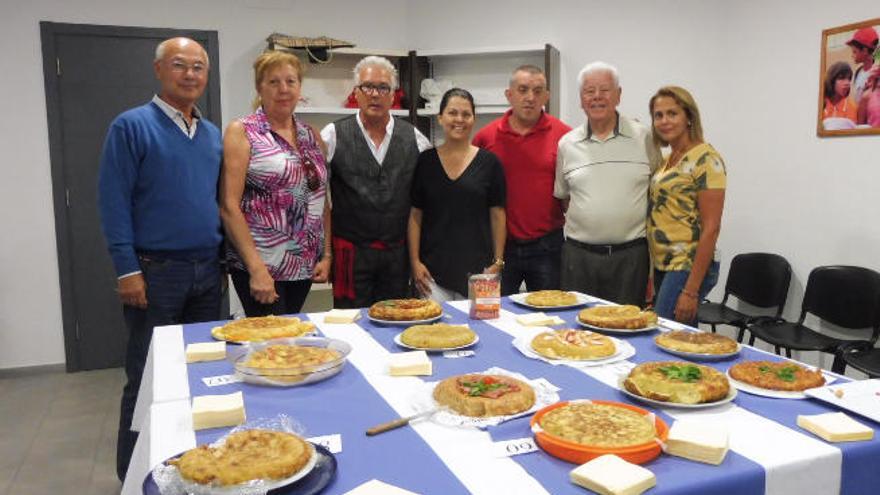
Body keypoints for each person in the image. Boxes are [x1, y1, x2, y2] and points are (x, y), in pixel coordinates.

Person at [97, 37, 223, 481]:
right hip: (155, 273)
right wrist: (127, 269)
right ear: (158, 70)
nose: (190, 74)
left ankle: (190, 465)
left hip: (209, 269)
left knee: (203, 371)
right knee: (148, 376)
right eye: (179, 65)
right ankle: (134, 476)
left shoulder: (210, 134)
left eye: (198, 67)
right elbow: (113, 203)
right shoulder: (131, 126)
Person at [220, 51, 330, 316]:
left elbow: (321, 199)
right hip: (261, 266)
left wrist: (327, 256)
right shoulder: (243, 131)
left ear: (299, 88)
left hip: (303, 265)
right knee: (271, 345)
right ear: (260, 87)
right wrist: (256, 269)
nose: (283, 89)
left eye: (290, 81)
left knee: (290, 341)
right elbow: (228, 205)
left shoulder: (311, 135)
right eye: (274, 82)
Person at [320, 56, 431, 308]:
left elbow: (426, 200)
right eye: (367, 87)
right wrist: (325, 254)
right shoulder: (333, 135)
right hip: (351, 255)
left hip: (397, 256)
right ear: (356, 93)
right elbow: (316, 197)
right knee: (350, 324)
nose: (375, 94)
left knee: (394, 321)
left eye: (383, 88)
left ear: (393, 95)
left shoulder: (415, 138)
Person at [554, 61, 659, 306]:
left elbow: (657, 194)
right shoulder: (566, 144)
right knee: (577, 333)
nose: (597, 97)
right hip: (578, 258)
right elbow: (564, 198)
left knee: (627, 329)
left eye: (605, 90)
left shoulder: (644, 138)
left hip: (630, 257)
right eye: (589, 91)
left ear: (618, 95)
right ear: (581, 99)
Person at [473, 65, 571, 295]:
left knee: (548, 318)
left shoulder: (565, 136)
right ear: (509, 95)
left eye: (538, 91)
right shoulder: (485, 137)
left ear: (547, 96)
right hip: (498, 248)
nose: (530, 98)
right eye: (523, 90)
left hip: (548, 246)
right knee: (493, 315)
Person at [409, 88, 507, 300]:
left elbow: (498, 215)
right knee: (434, 332)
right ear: (440, 117)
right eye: (453, 113)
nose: (459, 119)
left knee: (483, 331)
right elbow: (416, 215)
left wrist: (498, 262)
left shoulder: (490, 163)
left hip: (480, 274)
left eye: (466, 114)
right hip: (432, 276)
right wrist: (415, 262)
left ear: (473, 119)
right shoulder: (425, 162)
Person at [648, 86, 726, 325]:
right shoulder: (667, 160)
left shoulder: (706, 159)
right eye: (658, 115)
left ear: (689, 117)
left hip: (686, 265)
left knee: (665, 336)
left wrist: (691, 291)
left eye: (672, 113)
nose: (664, 121)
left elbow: (711, 227)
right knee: (674, 338)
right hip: (664, 263)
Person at [847, 27, 878, 103]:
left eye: (854, 52)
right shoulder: (858, 72)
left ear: (865, 50)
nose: (852, 55)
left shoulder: (876, 74)